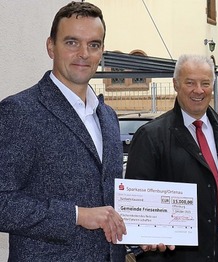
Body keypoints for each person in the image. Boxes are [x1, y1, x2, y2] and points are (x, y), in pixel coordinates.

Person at [0, 2, 127, 261]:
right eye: (72, 42)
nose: (83, 53)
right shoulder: (20, 111)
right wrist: (77, 215)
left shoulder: (109, 117)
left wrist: (144, 232)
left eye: (93, 44)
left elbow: (110, 201)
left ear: (102, 50)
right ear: (51, 46)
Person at [125, 54, 218, 261]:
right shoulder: (151, 137)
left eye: (205, 83)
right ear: (175, 84)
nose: (198, 90)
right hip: (183, 256)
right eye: (190, 83)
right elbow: (139, 216)